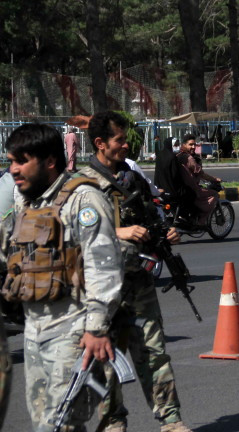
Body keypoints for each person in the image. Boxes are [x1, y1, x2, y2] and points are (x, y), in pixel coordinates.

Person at [0, 123, 123, 432]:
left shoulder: (83, 200)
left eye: (22, 161)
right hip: (34, 331)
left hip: (74, 332)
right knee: (44, 423)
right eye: (10, 162)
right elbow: (11, 251)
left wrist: (95, 328)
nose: (13, 170)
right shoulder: (24, 200)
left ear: (50, 161)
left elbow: (104, 267)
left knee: (60, 426)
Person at [79, 111, 191, 432]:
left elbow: (154, 212)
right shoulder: (85, 185)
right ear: (100, 144)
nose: (127, 145)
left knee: (154, 354)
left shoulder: (132, 177)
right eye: (119, 140)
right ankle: (113, 423)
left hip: (139, 282)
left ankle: (171, 420)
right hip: (103, 289)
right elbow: (76, 235)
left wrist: (166, 231)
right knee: (105, 364)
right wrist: (118, 232)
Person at [176, 134, 222, 225]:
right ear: (184, 145)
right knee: (214, 194)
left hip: (180, 187)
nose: (193, 147)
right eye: (190, 144)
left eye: (194, 144)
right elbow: (201, 173)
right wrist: (215, 179)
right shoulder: (189, 158)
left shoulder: (178, 155)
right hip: (192, 189)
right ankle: (201, 221)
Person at [154, 137, 190, 203]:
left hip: (159, 188)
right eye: (175, 145)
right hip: (172, 190)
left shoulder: (159, 156)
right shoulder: (172, 157)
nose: (178, 147)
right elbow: (175, 175)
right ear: (170, 145)